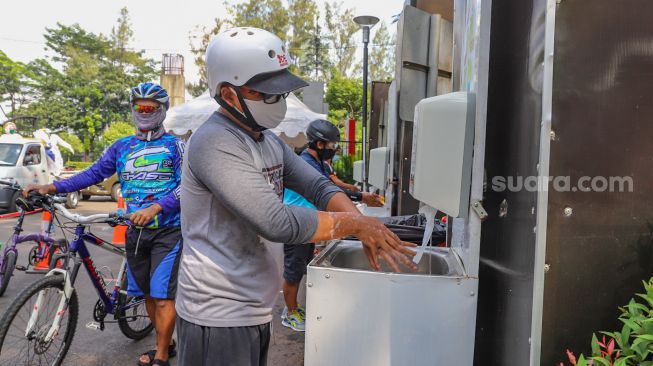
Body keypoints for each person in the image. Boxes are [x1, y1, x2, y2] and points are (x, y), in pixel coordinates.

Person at [175, 26, 416, 366]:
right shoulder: (215, 142)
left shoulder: (269, 141)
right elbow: (276, 222)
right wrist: (356, 226)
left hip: (253, 308)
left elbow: (318, 187)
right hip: (217, 314)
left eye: (282, 93)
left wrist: (362, 223)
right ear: (229, 95)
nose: (280, 102)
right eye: (268, 94)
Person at [24, 82, 184, 366]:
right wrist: (51, 187)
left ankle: (161, 355)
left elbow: (188, 188)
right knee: (147, 293)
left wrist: (156, 207)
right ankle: (165, 340)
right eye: (139, 107)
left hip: (168, 232)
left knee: (162, 297)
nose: (144, 112)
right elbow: (93, 174)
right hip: (135, 231)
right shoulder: (122, 146)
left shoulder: (176, 146)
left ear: (162, 111)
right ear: (133, 110)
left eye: (151, 107)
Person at [280, 119, 383, 332]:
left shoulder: (317, 161)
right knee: (293, 271)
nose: (334, 149)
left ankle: (294, 307)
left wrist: (358, 194)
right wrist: (361, 197)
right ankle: (289, 312)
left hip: (310, 224)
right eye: (331, 145)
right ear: (319, 144)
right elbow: (327, 189)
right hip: (296, 224)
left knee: (305, 265)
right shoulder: (306, 163)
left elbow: (333, 184)